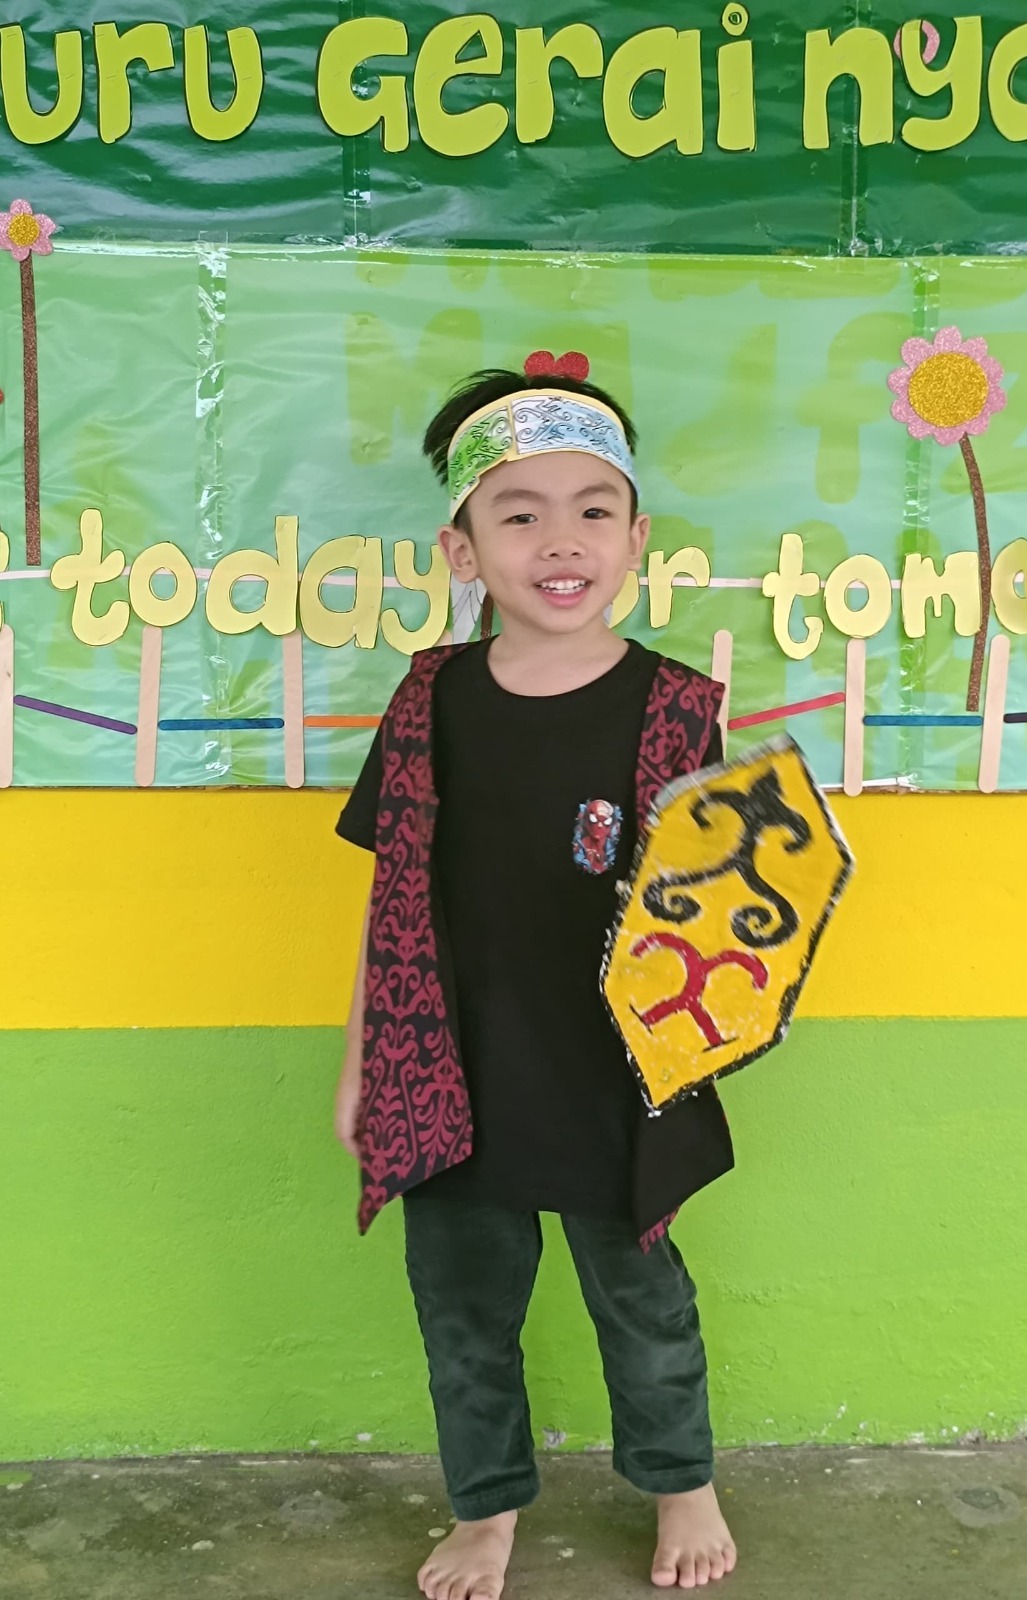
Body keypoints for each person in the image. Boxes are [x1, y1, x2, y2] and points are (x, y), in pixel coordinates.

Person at [333, 360, 739, 1599]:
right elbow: (391, 901)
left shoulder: (678, 709)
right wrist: (362, 1067)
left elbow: (720, 917)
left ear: (636, 538)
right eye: (520, 514)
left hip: (617, 1079)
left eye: (592, 509)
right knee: (463, 1315)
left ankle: (683, 1482)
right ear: (463, 550)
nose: (561, 541)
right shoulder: (428, 703)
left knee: (645, 1305)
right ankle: (486, 1508)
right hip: (450, 1075)